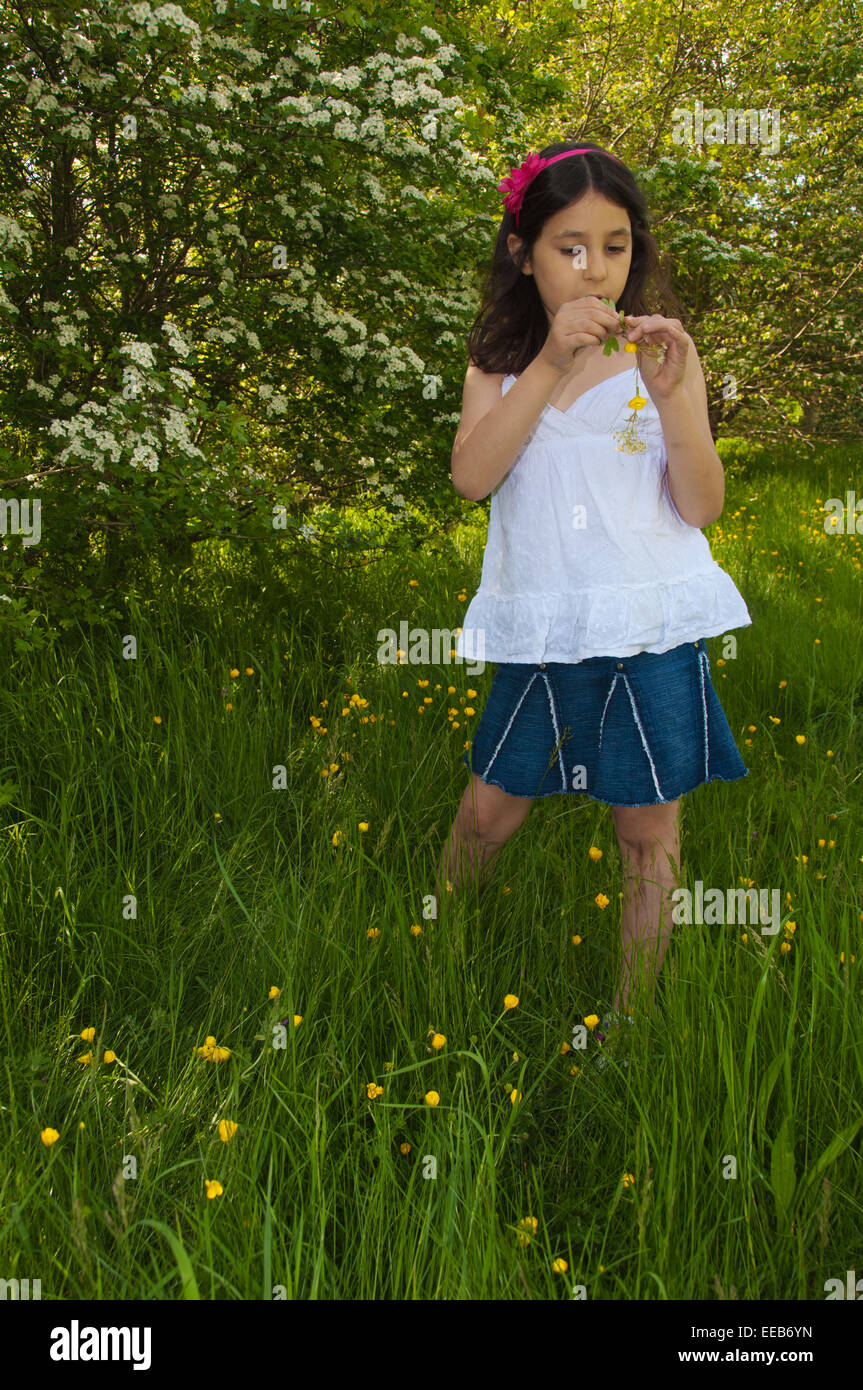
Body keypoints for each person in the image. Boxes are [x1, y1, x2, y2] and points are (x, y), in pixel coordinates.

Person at [436, 140, 752, 1025]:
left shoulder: (661, 361)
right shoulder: (499, 366)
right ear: (521, 251)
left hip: (646, 627)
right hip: (543, 632)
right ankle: (444, 968)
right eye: (568, 247)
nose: (593, 270)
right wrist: (546, 368)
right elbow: (472, 477)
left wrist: (670, 400)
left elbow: (700, 505)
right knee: (486, 816)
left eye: (613, 247)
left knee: (646, 833)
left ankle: (633, 1019)